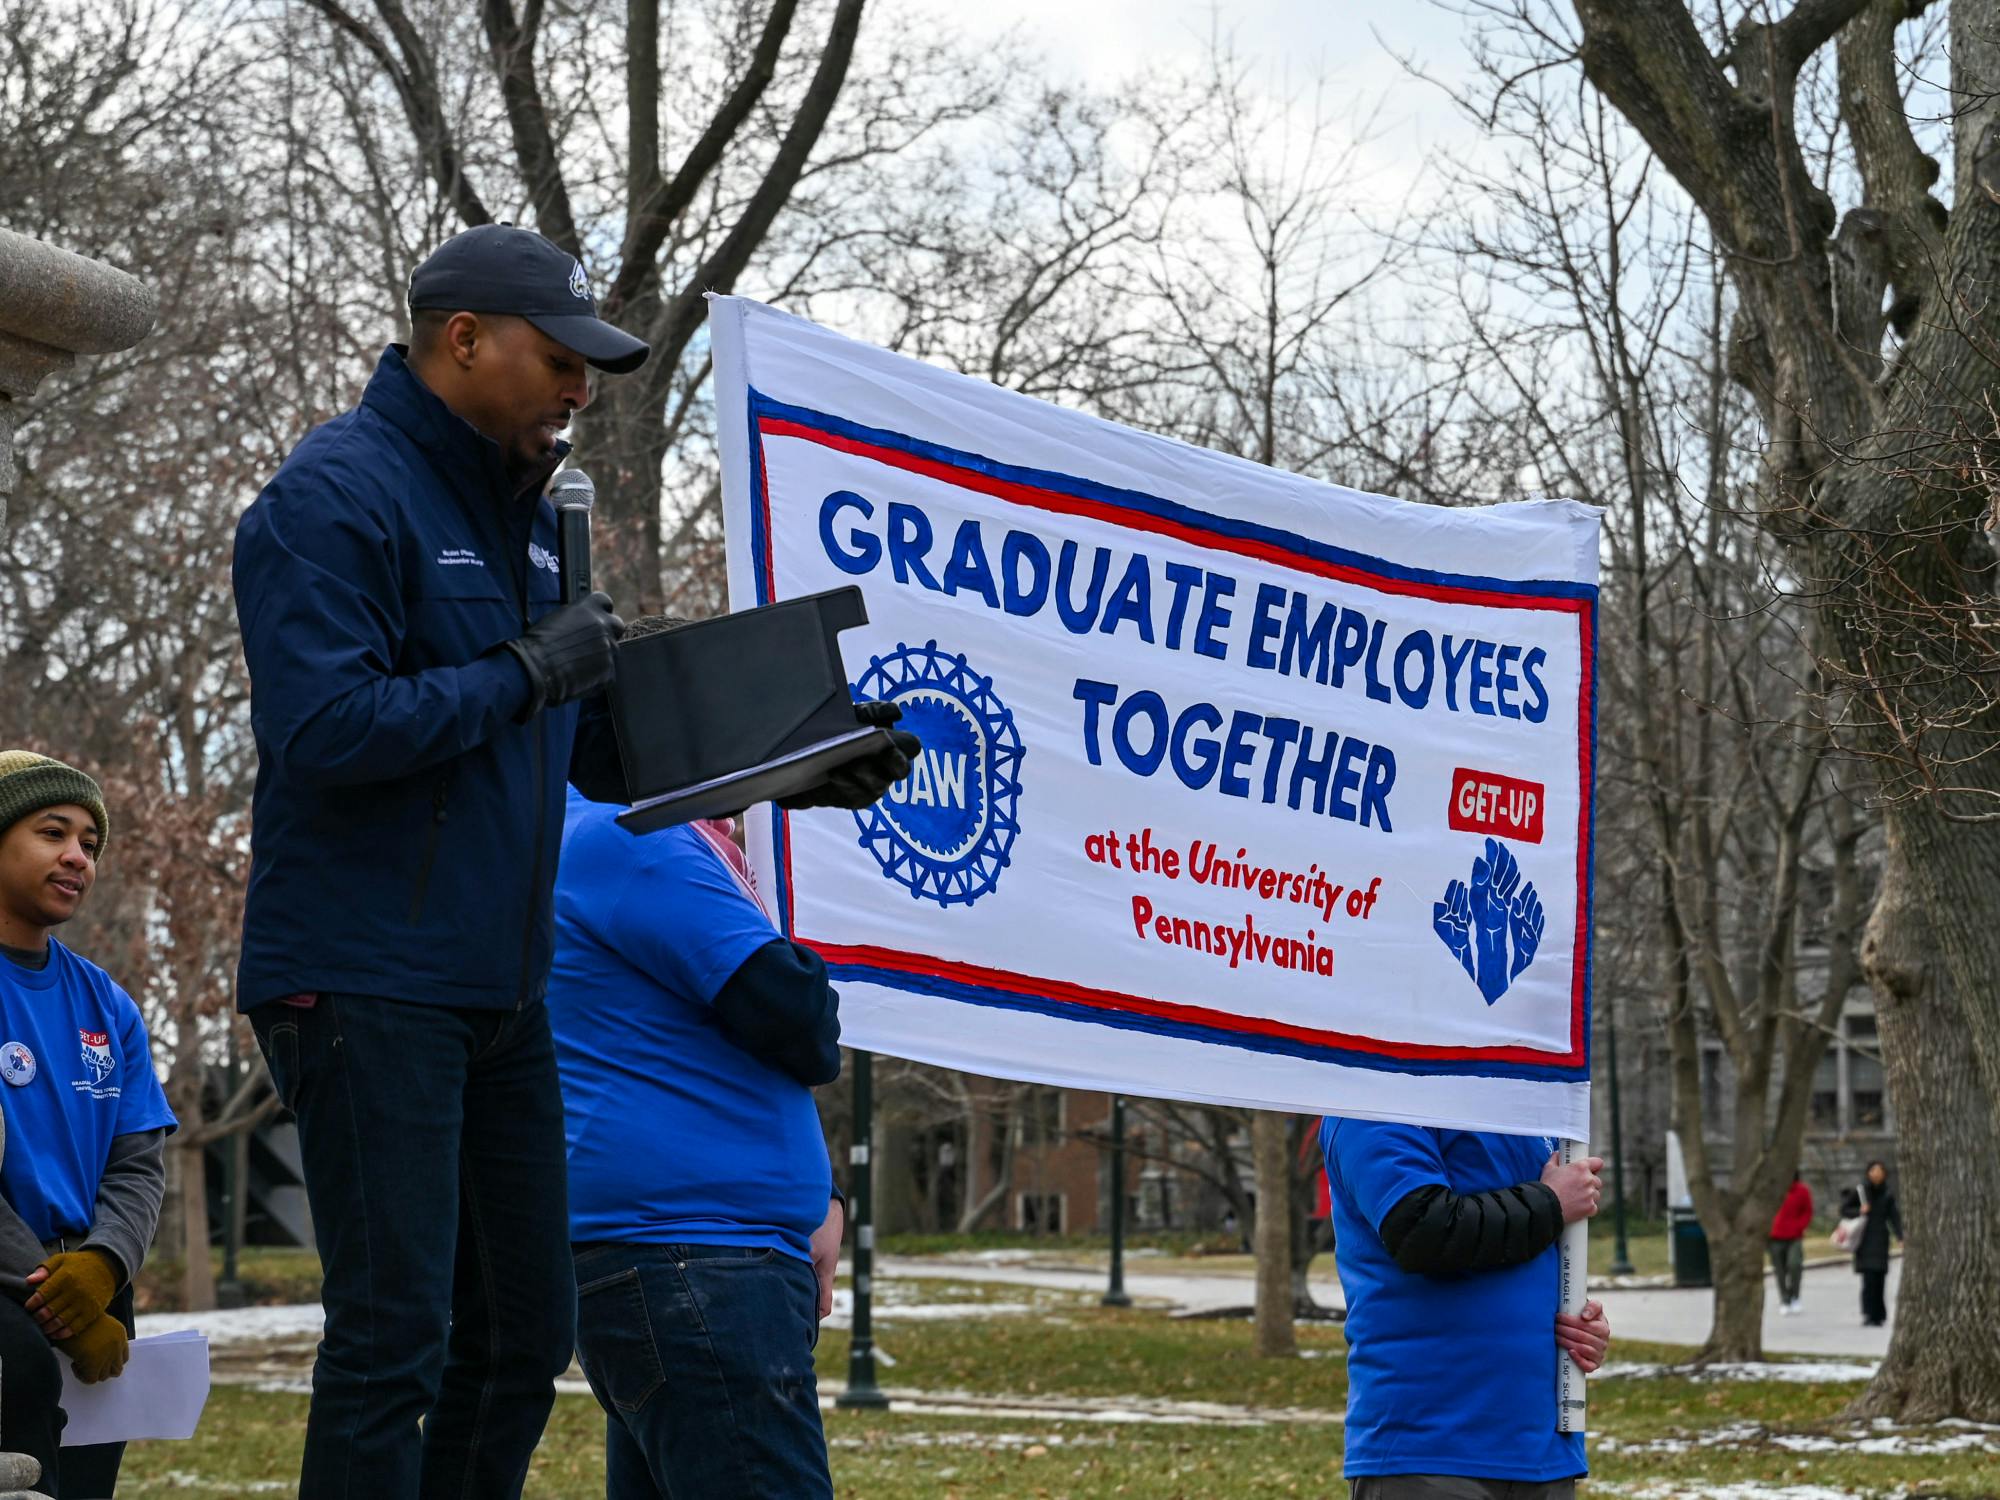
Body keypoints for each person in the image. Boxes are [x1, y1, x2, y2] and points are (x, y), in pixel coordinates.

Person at [231, 226, 911, 1499]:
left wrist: (807, 767)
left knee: (522, 1337)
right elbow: (322, 729)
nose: (579, 390)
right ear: (463, 339)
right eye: (558, 359)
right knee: (394, 1342)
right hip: (366, 975)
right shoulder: (334, 496)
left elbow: (598, 745)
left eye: (590, 368)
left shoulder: (530, 524)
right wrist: (524, 667)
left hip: (498, 987)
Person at [549, 617, 850, 1500]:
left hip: (684, 1264)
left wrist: (821, 1193)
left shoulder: (590, 841)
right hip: (696, 1269)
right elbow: (796, 1018)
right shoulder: (633, 840)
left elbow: (721, 1047)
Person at [0, 752, 176, 1498]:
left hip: (98, 1293)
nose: (78, 856)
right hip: (18, 1296)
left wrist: (105, 1266)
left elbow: (138, 1164)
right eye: (53, 832)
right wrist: (52, 1296)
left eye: (91, 844)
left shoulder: (109, 1004)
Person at [1320, 1117, 1612, 1499]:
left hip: (1543, 1451)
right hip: (1428, 1448)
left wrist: (1579, 1323)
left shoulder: (1528, 1107)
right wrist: (1551, 1201)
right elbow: (1422, 1230)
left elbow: (1527, 1249)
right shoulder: (1372, 1100)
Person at [1841, 1160, 1901, 1328]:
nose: (1877, 1174)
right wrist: (1860, 1210)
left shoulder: (1887, 1193)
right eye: (1873, 1170)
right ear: (1868, 1172)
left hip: (1881, 1239)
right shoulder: (1861, 1191)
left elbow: (1894, 1216)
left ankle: (1879, 1314)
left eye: (1880, 1170)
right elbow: (1844, 1209)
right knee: (1868, 1280)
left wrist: (1900, 1236)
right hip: (1864, 1240)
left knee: (1880, 1279)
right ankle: (1868, 1313)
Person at [1768, 1171, 1812, 1315]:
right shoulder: (1771, 1190)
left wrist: (1800, 1226)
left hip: (1794, 1236)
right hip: (1774, 1236)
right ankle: (1784, 1299)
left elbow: (1807, 1211)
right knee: (1779, 1270)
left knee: (1795, 1265)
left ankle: (1795, 1296)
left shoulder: (1802, 1190)